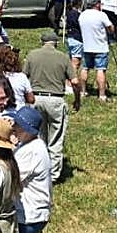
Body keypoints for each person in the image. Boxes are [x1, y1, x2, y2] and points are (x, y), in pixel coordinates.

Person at [22, 31, 77, 179]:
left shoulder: (32, 55)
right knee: (56, 137)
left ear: (42, 42)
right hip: (56, 99)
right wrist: (77, 99)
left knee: (38, 136)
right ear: (56, 43)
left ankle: (38, 168)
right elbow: (75, 81)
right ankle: (53, 174)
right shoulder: (63, 57)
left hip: (36, 98)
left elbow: (23, 76)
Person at [78, 0, 114, 102]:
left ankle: (83, 91)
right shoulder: (101, 15)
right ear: (97, 4)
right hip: (100, 46)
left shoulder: (82, 15)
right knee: (100, 69)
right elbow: (110, 27)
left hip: (87, 46)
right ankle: (102, 94)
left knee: (85, 68)